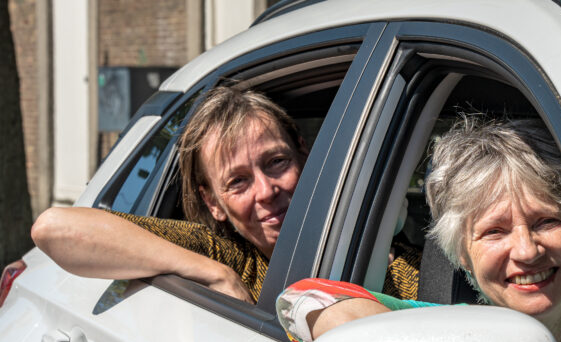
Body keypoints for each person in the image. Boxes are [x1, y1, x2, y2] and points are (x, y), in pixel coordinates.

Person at [276, 116, 561, 342]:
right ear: (462, 254)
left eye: (546, 221)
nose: (527, 251)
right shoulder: (449, 330)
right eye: (494, 231)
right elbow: (301, 299)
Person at [31, 85, 418, 304]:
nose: (266, 191)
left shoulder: (391, 252)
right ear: (213, 203)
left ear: (303, 153)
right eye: (237, 182)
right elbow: (55, 229)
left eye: (277, 162)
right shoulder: (226, 255)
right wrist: (215, 274)